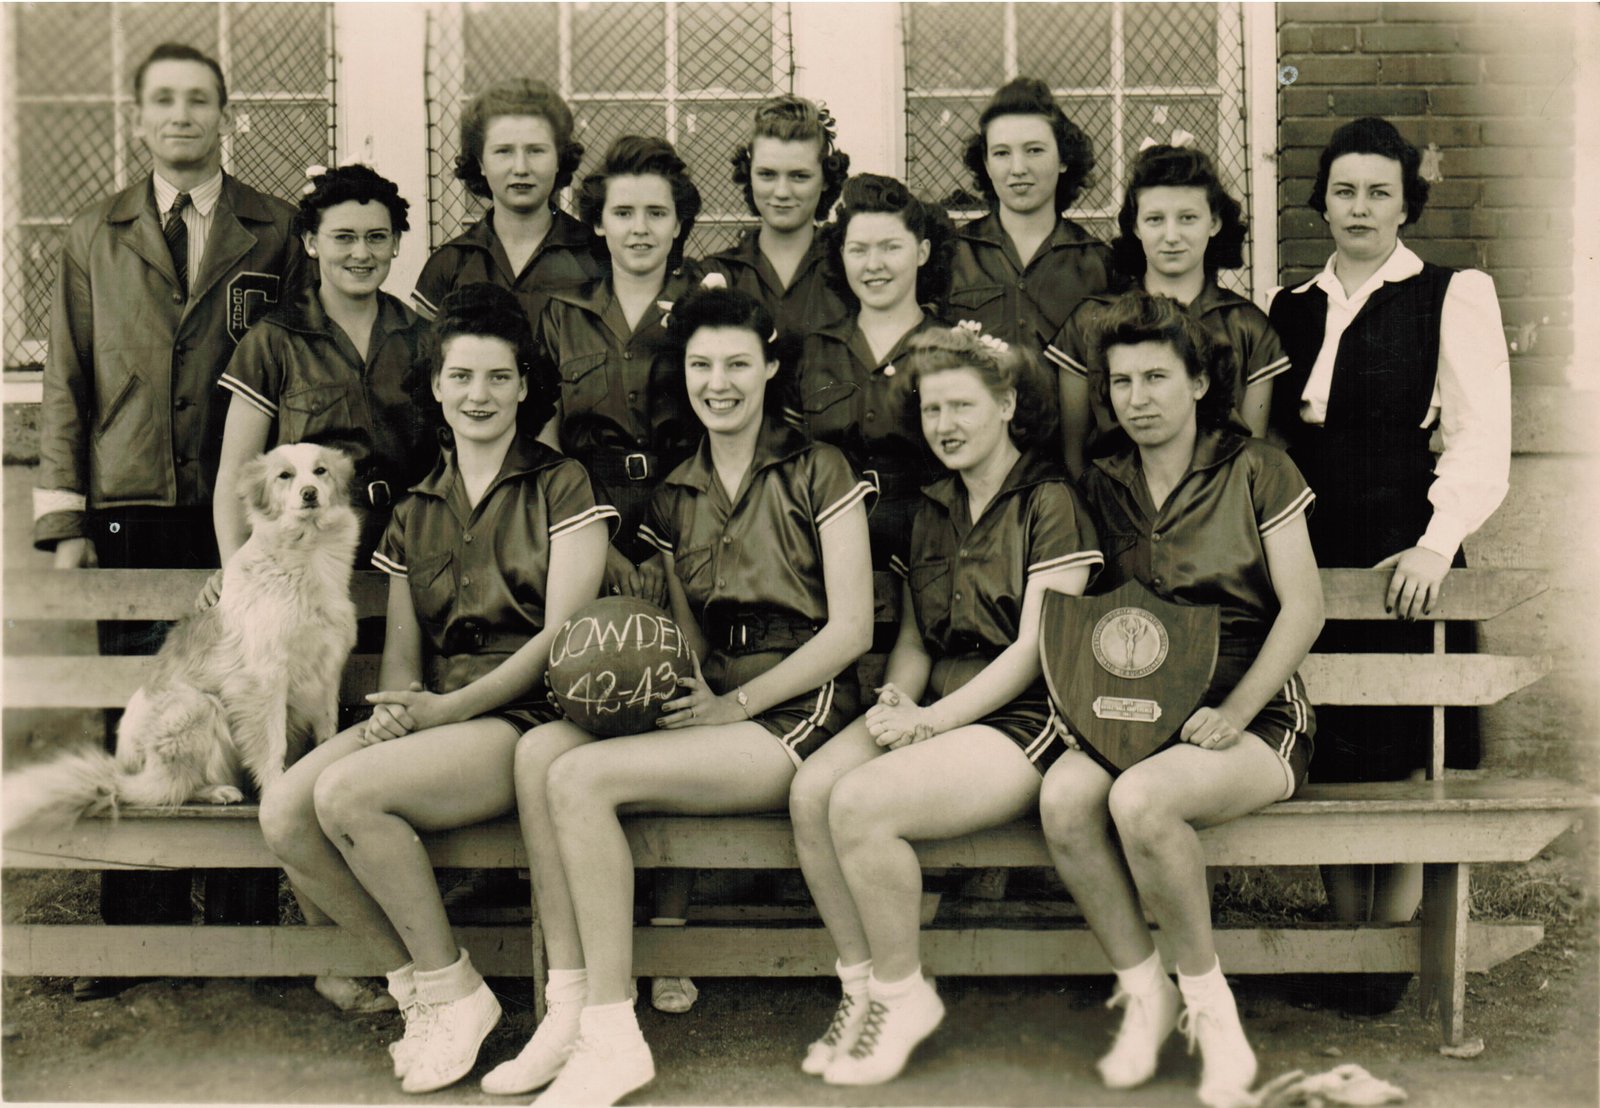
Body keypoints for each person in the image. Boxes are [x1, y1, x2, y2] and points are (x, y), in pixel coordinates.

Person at [486, 286, 874, 1106]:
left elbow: (852, 632)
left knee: (583, 779)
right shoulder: (676, 489)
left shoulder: (818, 467)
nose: (719, 382)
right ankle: (566, 1007)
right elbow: (686, 632)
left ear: (771, 367)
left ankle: (613, 1030)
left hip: (800, 707)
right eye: (702, 365)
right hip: (712, 696)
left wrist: (733, 706)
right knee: (540, 752)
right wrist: (664, 676)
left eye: (738, 363)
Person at [256, 283, 615, 1094]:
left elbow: (566, 638)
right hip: (439, 715)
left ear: (525, 386)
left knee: (347, 796)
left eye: (497, 378)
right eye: (461, 377)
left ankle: (453, 995)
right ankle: (430, 989)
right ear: (436, 387)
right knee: (284, 812)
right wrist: (396, 716)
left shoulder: (564, 485)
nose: (478, 395)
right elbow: (403, 658)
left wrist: (444, 712)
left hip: (529, 719)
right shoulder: (417, 505)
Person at [32, 41, 304, 992]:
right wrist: (65, 519)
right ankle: (135, 934)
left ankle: (244, 932)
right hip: (129, 504)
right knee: (141, 712)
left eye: (200, 101)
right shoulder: (91, 233)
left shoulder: (275, 230)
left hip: (234, 515)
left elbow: (290, 369)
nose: (182, 116)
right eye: (164, 102)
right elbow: (65, 383)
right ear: (138, 118)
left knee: (247, 693)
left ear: (226, 116)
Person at [788, 323, 1101, 1086]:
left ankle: (903, 997)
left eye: (963, 407)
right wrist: (899, 700)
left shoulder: (1049, 499)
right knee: (811, 792)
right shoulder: (932, 507)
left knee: (861, 805)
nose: (946, 426)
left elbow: (1035, 649)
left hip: (1028, 719)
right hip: (941, 707)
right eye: (932, 411)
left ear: (1008, 406)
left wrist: (930, 723)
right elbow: (921, 641)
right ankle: (862, 989)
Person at [1038, 289, 1322, 1108]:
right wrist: (1076, 702)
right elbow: (1086, 616)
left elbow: (1305, 607)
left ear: (1200, 381)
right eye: (1121, 382)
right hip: (1136, 712)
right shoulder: (1103, 481)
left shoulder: (1258, 466)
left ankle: (1211, 1010)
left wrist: (1235, 717)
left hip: (1254, 709)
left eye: (1157, 377)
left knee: (1143, 803)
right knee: (1063, 799)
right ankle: (1146, 991)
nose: (1138, 399)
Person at [1266, 117, 1511, 1011]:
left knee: (1405, 747)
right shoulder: (1288, 305)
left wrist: (1438, 542)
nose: (1360, 207)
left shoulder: (1451, 293)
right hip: (1311, 534)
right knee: (1329, 740)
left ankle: (1391, 956)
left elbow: (1483, 436)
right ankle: (1345, 944)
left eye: (1379, 191)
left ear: (1408, 201)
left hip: (1405, 536)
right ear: (1321, 201)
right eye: (1344, 190)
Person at [215, 164, 436, 568]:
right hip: (309, 557)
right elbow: (236, 473)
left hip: (413, 552)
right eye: (344, 237)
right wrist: (237, 571)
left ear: (396, 243)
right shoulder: (273, 339)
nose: (361, 253)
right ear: (312, 242)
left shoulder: (426, 339)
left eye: (376, 237)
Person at [534, 134, 704, 602]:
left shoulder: (707, 306)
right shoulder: (564, 316)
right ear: (599, 224)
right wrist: (595, 544)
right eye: (623, 213)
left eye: (657, 213)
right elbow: (544, 443)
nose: (640, 229)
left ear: (678, 224)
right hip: (585, 517)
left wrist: (664, 551)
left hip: (694, 520)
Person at [1056, 142, 1289, 476]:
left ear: (1214, 222)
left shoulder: (1248, 326)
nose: (1171, 236)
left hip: (1216, 510)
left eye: (1187, 218)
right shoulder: (1090, 320)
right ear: (1135, 227)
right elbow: (1074, 457)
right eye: (1154, 219)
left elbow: (1253, 455)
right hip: (1112, 510)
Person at [793, 173, 954, 641]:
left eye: (891, 247)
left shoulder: (954, 349)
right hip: (823, 556)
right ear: (840, 254)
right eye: (858, 249)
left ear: (922, 252)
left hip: (930, 553)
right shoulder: (814, 351)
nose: (874, 264)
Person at [412, 78, 600, 329]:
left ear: (559, 159)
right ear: (480, 162)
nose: (521, 168)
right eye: (503, 151)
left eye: (536, 150)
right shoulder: (449, 265)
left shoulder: (597, 255)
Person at [948, 77, 1110, 365]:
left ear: (1063, 159)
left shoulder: (1100, 265)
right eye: (1001, 153)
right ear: (986, 164)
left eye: (1034, 150)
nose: (1018, 168)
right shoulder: (951, 255)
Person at [704, 94, 852, 345]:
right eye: (767, 174)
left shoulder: (849, 270)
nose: (782, 192)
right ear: (748, 175)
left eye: (799, 176)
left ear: (826, 178)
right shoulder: (719, 273)